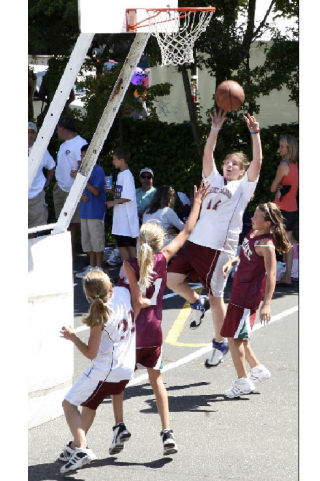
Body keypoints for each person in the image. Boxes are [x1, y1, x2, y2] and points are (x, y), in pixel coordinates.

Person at [119, 181, 210, 455]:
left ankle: (118, 426)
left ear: (138, 239)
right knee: (157, 381)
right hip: (155, 331)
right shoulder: (164, 258)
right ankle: (167, 432)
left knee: (116, 382)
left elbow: (132, 301)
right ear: (161, 242)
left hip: (133, 334)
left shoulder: (128, 265)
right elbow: (187, 230)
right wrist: (196, 203)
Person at [167, 109, 263, 368]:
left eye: (235, 164)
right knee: (171, 279)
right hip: (196, 242)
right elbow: (207, 154)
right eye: (227, 162)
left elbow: (257, 163)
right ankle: (197, 302)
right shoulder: (213, 178)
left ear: (242, 171)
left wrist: (255, 134)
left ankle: (219, 342)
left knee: (218, 295)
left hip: (219, 248)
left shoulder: (243, 187)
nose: (229, 165)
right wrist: (215, 128)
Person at [59, 269, 135, 474]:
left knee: (68, 403)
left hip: (107, 370)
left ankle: (82, 449)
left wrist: (73, 337)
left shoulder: (99, 316)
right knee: (90, 404)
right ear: (109, 285)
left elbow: (91, 353)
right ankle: (75, 444)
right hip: (127, 367)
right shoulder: (123, 293)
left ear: (87, 295)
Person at [220, 202, 291, 398]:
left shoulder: (266, 244)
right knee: (236, 336)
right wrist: (231, 262)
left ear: (267, 223)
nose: (252, 218)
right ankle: (257, 370)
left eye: (256, 216)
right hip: (238, 291)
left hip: (247, 297)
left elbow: (271, 275)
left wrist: (266, 304)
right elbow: (244, 256)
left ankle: (243, 381)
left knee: (235, 339)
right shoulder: (252, 233)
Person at [53, 117, 87, 258]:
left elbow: (86, 167)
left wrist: (78, 174)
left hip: (74, 190)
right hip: (60, 189)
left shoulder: (81, 143)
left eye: (57, 129)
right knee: (62, 224)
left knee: (73, 224)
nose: (56, 132)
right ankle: (64, 255)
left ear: (63, 128)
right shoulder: (63, 145)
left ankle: (70, 257)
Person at [270, 134, 299, 285]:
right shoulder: (297, 165)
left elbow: (272, 188)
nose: (279, 148)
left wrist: (279, 185)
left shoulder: (283, 165)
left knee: (268, 239)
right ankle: (287, 276)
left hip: (281, 210)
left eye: (282, 146)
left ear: (289, 148)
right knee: (289, 243)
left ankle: (268, 276)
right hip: (293, 208)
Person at [75, 144, 107, 278]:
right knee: (87, 241)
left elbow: (96, 191)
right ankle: (91, 267)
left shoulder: (98, 170)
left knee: (97, 241)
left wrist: (83, 180)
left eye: (85, 156)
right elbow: (80, 192)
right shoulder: (83, 171)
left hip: (95, 212)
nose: (83, 159)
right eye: (82, 156)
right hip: (85, 211)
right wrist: (81, 196)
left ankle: (99, 268)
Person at [106, 148, 140, 262]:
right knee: (128, 246)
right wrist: (111, 191)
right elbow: (121, 194)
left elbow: (128, 197)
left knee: (125, 247)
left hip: (126, 220)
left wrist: (112, 202)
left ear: (122, 160)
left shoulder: (127, 175)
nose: (113, 162)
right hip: (122, 219)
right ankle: (132, 274)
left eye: (114, 159)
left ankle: (128, 273)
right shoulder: (121, 175)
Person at [28, 122, 55, 235]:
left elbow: (52, 166)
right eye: (27, 132)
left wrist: (47, 183)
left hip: (37, 196)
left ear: (35, 135)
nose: (29, 135)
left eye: (32, 132)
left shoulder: (41, 150)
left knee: (38, 229)